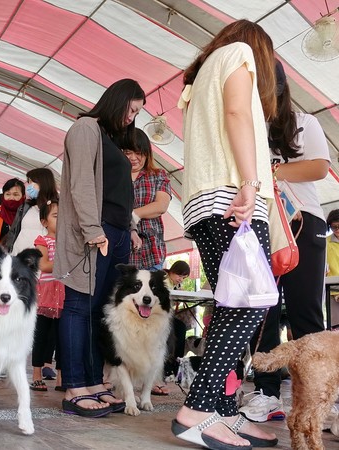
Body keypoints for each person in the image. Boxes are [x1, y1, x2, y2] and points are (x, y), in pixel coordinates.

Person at [171, 20, 279, 449]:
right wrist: (251, 183)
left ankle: (225, 411)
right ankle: (196, 410)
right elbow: (237, 112)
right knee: (247, 308)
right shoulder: (239, 54)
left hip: (207, 201)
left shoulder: (199, 79)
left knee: (235, 306)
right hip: (230, 200)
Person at [239, 60, 331, 423]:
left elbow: (319, 168)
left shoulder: (305, 123)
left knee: (305, 310)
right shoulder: (246, 127)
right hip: (260, 222)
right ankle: (266, 393)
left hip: (302, 222)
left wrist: (270, 170)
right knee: (261, 311)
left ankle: (324, 398)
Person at [53, 78, 145, 418]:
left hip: (117, 233)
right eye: (132, 109)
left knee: (96, 312)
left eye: (137, 113)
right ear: (118, 100)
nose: (132, 118)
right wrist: (93, 231)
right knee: (79, 306)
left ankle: (93, 381)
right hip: (96, 233)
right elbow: (80, 184)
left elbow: (117, 190)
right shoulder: (85, 128)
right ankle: (75, 386)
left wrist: (131, 228)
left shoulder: (108, 137)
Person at [29, 199, 64, 391]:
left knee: (62, 337)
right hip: (47, 295)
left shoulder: (70, 241)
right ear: (44, 222)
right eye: (56, 216)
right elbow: (43, 265)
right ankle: (36, 373)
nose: (62, 220)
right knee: (41, 335)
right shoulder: (42, 240)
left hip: (66, 294)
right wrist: (67, 262)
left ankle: (61, 376)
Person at [125, 128, 171, 271]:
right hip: (123, 253)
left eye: (138, 153)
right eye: (128, 152)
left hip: (151, 252)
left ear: (147, 153)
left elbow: (161, 206)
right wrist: (144, 212)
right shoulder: (116, 177)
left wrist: (132, 215)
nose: (133, 157)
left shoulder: (158, 175)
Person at [6, 168, 59, 255]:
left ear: (43, 182)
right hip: (18, 256)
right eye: (28, 182)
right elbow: (14, 231)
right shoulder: (25, 207)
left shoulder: (57, 207)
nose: (29, 186)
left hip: (42, 258)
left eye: (31, 182)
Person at [163, 260, 191, 381]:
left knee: (180, 327)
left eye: (183, 278)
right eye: (179, 276)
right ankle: (172, 365)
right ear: (172, 271)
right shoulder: (164, 280)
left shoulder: (173, 284)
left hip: (166, 316)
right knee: (179, 329)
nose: (181, 279)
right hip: (158, 317)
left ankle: (176, 363)